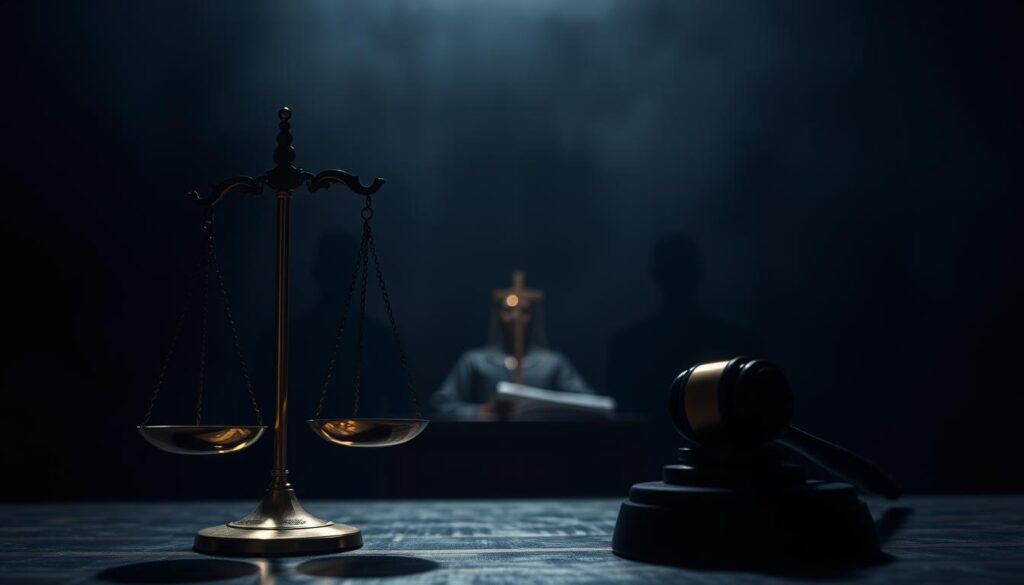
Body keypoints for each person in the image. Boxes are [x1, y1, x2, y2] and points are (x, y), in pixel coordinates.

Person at [431, 271, 594, 419]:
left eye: (523, 311)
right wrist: (483, 411)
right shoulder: (474, 361)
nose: (515, 317)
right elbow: (441, 405)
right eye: (508, 311)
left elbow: (588, 404)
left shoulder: (553, 363)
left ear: (532, 316)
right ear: (498, 315)